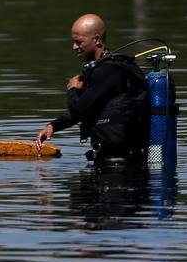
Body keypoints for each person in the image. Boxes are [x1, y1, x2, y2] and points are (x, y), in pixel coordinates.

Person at [36, 13, 150, 162]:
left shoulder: (107, 70)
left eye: (79, 42)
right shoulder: (110, 68)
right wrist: (54, 126)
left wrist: (73, 89)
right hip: (118, 161)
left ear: (96, 40)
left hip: (118, 166)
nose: (74, 47)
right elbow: (87, 106)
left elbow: (80, 110)